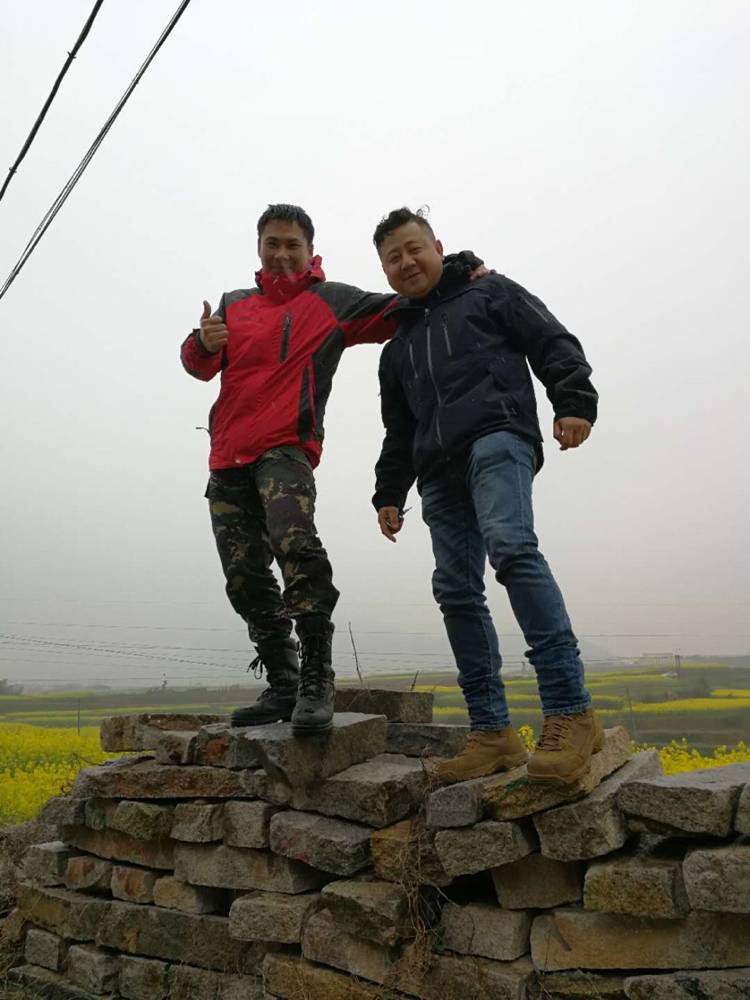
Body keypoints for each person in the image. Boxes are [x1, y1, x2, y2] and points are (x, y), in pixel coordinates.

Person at [181, 203, 483, 735]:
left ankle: (317, 674)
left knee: (295, 545)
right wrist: (202, 344)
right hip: (227, 456)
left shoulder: (332, 301)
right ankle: (283, 680)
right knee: (243, 577)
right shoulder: (233, 304)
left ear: (309, 251)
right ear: (259, 248)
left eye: (292, 245)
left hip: (286, 448)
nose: (281, 254)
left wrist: (456, 269)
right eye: (272, 244)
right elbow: (198, 365)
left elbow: (400, 307)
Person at [372, 207, 602, 785]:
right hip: (436, 469)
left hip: (498, 434)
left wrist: (573, 399)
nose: (406, 263)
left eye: (414, 249)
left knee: (512, 549)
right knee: (454, 590)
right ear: (385, 270)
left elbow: (550, 339)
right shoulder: (396, 347)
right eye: (393, 258)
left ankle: (572, 712)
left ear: (438, 247)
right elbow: (398, 429)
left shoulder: (490, 291)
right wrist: (389, 491)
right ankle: (492, 732)